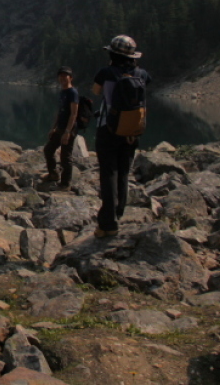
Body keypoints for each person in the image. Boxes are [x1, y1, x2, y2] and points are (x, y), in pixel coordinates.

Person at [92, 35, 152, 238]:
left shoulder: (106, 72)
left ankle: (108, 224)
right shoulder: (141, 74)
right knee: (124, 171)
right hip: (132, 130)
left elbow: (95, 91)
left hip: (108, 128)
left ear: (112, 54)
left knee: (108, 173)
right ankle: (119, 212)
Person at [43, 66, 79, 188]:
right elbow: (60, 112)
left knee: (65, 156)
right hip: (60, 128)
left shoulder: (73, 92)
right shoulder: (63, 92)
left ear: (71, 78)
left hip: (68, 129)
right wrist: (53, 127)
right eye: (61, 76)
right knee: (48, 149)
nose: (62, 78)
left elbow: (74, 113)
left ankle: (65, 184)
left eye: (65, 76)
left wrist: (68, 132)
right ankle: (53, 174)